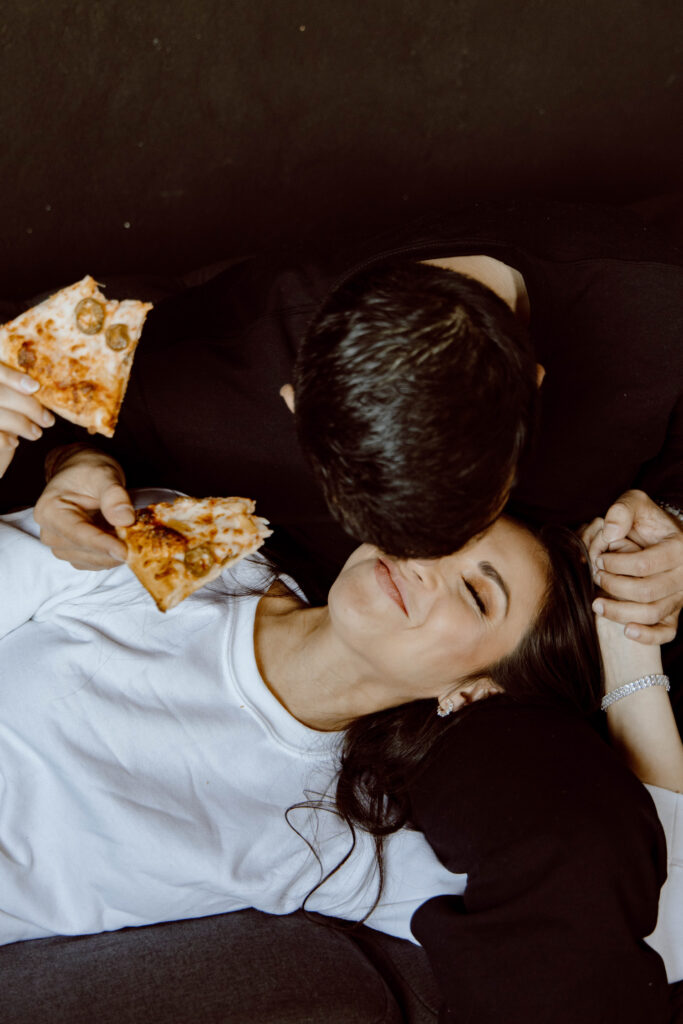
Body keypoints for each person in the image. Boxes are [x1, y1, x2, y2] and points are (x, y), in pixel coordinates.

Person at [0, 489, 679, 1024]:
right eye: (442, 534)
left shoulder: (346, 836)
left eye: (475, 593)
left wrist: (627, 642)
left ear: (473, 691)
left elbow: (655, 929)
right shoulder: (200, 542)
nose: (424, 563)